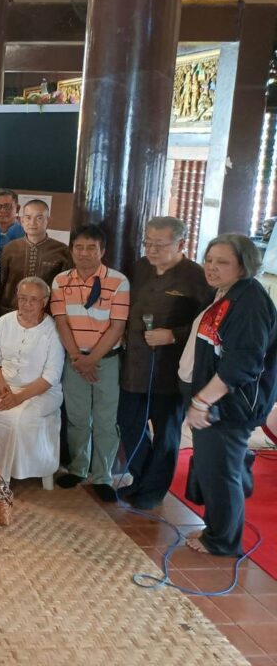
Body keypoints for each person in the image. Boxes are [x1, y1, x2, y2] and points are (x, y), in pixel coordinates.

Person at [181, 234, 277, 556]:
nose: (212, 267)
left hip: (229, 406)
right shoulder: (227, 293)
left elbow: (243, 363)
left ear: (243, 266)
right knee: (216, 469)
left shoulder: (249, 302)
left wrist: (202, 401)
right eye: (209, 260)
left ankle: (222, 541)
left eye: (222, 262)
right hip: (216, 402)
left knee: (220, 473)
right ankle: (218, 527)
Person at [118, 217, 212, 509]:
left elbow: (207, 325)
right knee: (129, 425)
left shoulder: (197, 277)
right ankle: (142, 479)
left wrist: (173, 335)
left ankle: (153, 491)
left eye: (159, 244)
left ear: (181, 244)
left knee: (166, 435)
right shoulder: (140, 267)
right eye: (148, 242)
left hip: (170, 372)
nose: (152, 249)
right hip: (134, 367)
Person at [50, 224, 130, 502]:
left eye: (91, 248)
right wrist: (77, 358)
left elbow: (117, 327)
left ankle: (102, 476)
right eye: (79, 247)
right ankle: (78, 468)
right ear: (72, 250)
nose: (84, 253)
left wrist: (90, 360)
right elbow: (61, 321)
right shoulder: (60, 281)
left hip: (106, 361)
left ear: (102, 251)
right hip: (74, 360)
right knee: (77, 418)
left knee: (106, 420)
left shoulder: (118, 281)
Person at [0, 277, 65, 484]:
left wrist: (19, 398)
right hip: (3, 384)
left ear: (44, 301)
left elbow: (51, 375)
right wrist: (2, 385)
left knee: (18, 419)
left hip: (41, 391)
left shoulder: (53, 329)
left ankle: (11, 472)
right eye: (22, 298)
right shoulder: (4, 322)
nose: (27, 304)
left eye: (33, 299)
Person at [0, 199, 72, 316]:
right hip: (11, 313)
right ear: (21, 221)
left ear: (48, 221)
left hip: (47, 315)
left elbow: (66, 290)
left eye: (39, 218)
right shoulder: (9, 249)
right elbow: (0, 285)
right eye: (28, 217)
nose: (32, 222)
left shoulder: (62, 251)